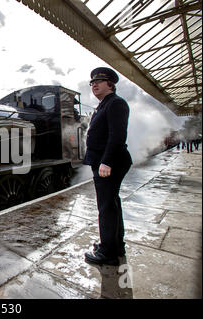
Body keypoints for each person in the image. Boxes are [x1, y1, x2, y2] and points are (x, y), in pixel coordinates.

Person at [83, 67, 132, 266]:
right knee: (111, 204)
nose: (94, 85)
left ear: (110, 84)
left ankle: (108, 253)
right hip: (105, 162)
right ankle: (115, 245)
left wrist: (106, 162)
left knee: (106, 207)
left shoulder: (116, 103)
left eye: (99, 81)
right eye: (92, 83)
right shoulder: (105, 105)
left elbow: (117, 136)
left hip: (110, 163)